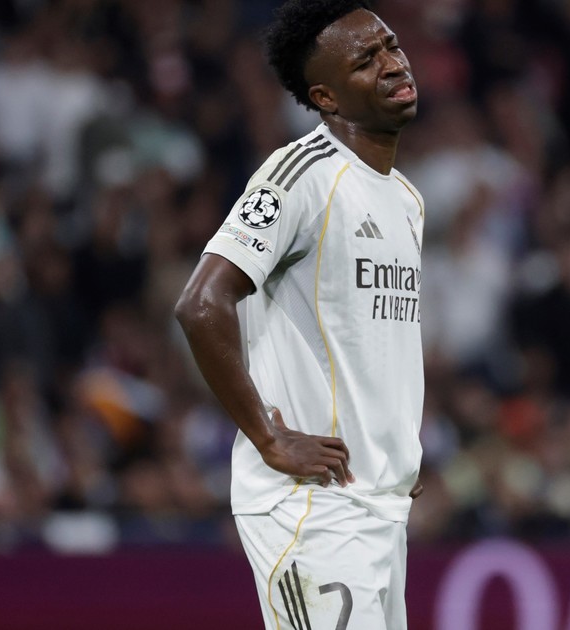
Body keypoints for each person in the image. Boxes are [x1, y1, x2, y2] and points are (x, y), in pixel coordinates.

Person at [174, 1, 425, 627]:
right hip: (313, 510)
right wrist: (269, 435)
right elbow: (201, 303)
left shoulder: (406, 200)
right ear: (325, 97)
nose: (393, 64)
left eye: (391, 46)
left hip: (380, 507)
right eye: (365, 61)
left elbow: (367, 343)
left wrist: (390, 450)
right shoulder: (302, 175)